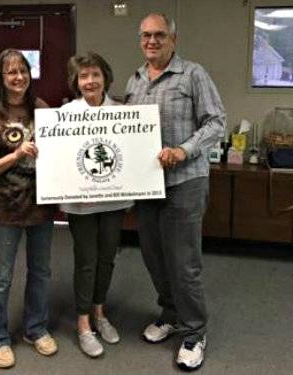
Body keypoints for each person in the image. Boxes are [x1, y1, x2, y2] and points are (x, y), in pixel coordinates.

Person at [125, 13, 226, 371]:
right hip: (148, 185)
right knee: (154, 257)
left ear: (173, 39)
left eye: (159, 35)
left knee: (184, 264)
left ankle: (195, 331)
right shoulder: (135, 80)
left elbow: (217, 122)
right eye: (146, 36)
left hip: (185, 182)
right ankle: (169, 314)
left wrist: (183, 150)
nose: (151, 41)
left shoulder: (193, 74)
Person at [0, 49, 58, 369]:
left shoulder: (42, 110)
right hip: (5, 209)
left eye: (22, 70)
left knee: (41, 272)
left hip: (40, 207)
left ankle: (35, 329)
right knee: (1, 278)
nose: (18, 77)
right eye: (11, 72)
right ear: (1, 77)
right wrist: (16, 154)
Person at [61, 52, 133, 358]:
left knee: (107, 259)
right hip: (81, 203)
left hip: (113, 200)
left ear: (105, 77)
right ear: (76, 82)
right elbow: (61, 161)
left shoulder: (122, 112)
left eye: (95, 75)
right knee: (86, 260)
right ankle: (83, 324)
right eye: (83, 76)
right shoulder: (66, 113)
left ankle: (100, 314)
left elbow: (129, 155)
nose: (90, 81)